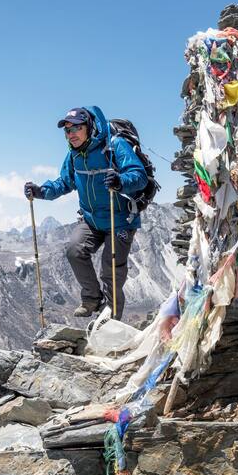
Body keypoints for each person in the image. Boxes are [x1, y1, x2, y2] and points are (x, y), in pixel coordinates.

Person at [24, 106, 147, 320]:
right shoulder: (74, 155)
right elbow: (64, 182)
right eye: (67, 130)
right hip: (92, 219)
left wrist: (120, 181)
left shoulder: (115, 145)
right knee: (74, 250)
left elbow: (139, 176)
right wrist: (41, 191)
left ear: (89, 127)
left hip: (120, 219)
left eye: (76, 128)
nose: (71, 134)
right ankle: (92, 298)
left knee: (111, 270)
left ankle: (111, 320)